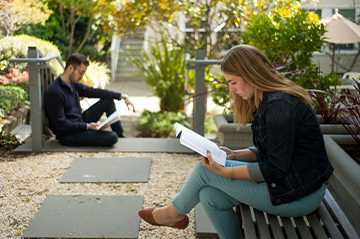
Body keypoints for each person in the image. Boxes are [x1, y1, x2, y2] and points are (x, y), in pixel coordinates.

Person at [138, 45, 334, 238]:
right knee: (209, 196)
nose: (231, 89)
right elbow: (269, 151)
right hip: (288, 184)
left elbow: (275, 168)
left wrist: (225, 171)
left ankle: (172, 214)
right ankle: (176, 214)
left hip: (300, 194)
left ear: (249, 74)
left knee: (206, 170)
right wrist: (235, 154)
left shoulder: (279, 106)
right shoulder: (266, 100)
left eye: (233, 82)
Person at [44, 53, 136, 147]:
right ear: (70, 68)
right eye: (81, 72)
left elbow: (96, 92)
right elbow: (61, 125)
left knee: (108, 102)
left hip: (80, 121)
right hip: (68, 135)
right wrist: (87, 126)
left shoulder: (73, 85)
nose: (82, 76)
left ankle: (121, 136)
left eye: (84, 73)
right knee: (112, 137)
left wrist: (123, 96)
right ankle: (117, 136)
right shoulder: (55, 92)